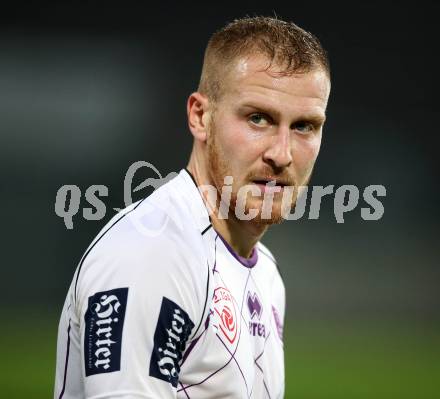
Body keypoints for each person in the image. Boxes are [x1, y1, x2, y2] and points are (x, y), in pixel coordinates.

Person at [54, 16, 331, 399]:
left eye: (304, 126)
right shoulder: (153, 253)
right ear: (200, 117)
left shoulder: (264, 271)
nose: (281, 154)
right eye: (258, 119)